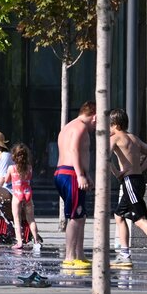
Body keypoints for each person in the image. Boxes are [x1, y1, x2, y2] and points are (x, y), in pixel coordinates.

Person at [55, 101, 96, 268]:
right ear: (95, 117)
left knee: (80, 216)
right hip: (71, 174)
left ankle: (79, 254)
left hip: (63, 173)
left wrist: (87, 175)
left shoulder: (68, 127)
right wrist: (80, 175)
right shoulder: (80, 128)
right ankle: (70, 257)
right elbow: (73, 150)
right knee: (75, 216)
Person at [109, 108, 147, 266]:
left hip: (130, 182)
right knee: (119, 216)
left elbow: (104, 157)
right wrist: (141, 167)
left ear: (116, 125)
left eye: (110, 125)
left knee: (139, 220)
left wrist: (117, 173)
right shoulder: (134, 139)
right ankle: (125, 255)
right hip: (138, 180)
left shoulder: (116, 138)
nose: (109, 129)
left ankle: (125, 255)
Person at [2, 143, 42, 250]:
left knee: (17, 219)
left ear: (14, 156)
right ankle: (36, 241)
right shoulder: (29, 168)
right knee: (31, 219)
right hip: (27, 193)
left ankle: (19, 242)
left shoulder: (12, 168)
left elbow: (6, 180)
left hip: (17, 194)